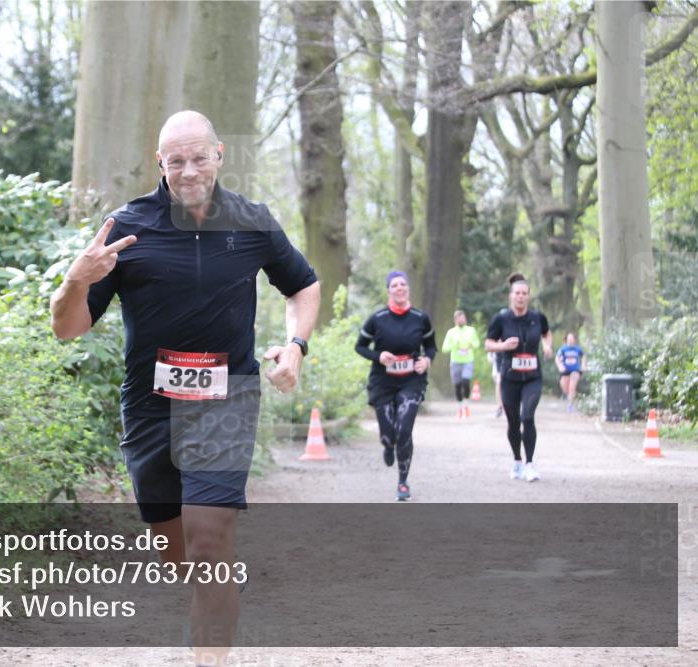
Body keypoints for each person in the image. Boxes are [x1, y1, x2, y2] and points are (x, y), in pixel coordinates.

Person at [50, 110, 320, 666]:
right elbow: (67, 328)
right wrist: (76, 279)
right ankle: (215, 590)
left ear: (219, 154)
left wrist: (296, 345)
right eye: (177, 161)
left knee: (208, 543)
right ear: (160, 163)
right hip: (150, 407)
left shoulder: (252, 221)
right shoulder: (128, 227)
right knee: (178, 555)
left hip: (226, 400)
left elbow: (304, 287)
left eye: (199, 157)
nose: (189, 170)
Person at [354, 271, 437, 501]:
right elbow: (360, 346)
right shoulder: (377, 318)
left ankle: (402, 482)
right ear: (388, 291)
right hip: (383, 381)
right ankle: (388, 445)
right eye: (394, 285)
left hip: (412, 380)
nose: (399, 288)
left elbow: (431, 346)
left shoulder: (420, 318)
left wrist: (427, 360)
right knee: (388, 435)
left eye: (403, 284)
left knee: (405, 429)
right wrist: (378, 356)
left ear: (408, 288)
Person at [485, 273, 553, 483]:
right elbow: (488, 344)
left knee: (527, 417)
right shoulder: (501, 319)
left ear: (528, 296)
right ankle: (517, 461)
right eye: (517, 293)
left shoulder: (537, 317)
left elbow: (546, 333)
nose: (521, 297)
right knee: (513, 422)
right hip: (509, 377)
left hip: (532, 377)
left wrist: (547, 345)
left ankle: (530, 464)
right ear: (511, 295)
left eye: (524, 293)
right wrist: (503, 346)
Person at [442, 309, 482, 419]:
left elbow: (477, 344)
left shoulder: (471, 330)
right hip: (455, 361)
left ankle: (466, 406)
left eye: (463, 318)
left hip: (468, 361)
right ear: (455, 320)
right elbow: (444, 348)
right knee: (458, 385)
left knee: (466, 381)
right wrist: (454, 345)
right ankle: (460, 408)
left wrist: (472, 344)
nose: (462, 320)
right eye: (460, 318)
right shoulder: (451, 332)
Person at [555, 332, 586, 412]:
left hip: (575, 370)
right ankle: (569, 395)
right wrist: (560, 366)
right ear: (566, 340)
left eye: (572, 339)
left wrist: (583, 365)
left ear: (574, 340)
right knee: (564, 386)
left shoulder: (578, 349)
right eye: (569, 339)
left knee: (572, 387)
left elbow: (583, 356)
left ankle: (570, 405)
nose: (570, 340)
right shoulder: (563, 349)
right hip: (565, 370)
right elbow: (557, 358)